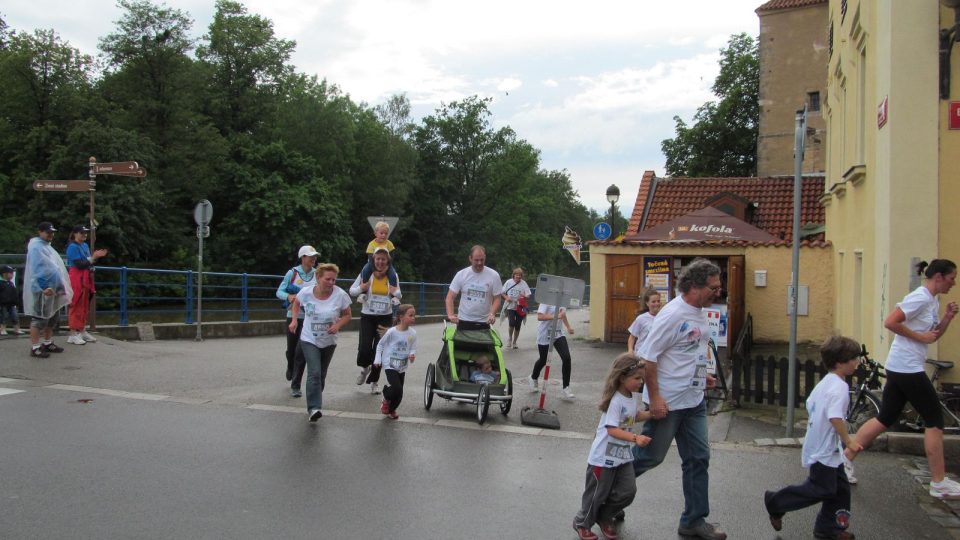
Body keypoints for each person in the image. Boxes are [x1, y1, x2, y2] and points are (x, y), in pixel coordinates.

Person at [846, 259, 960, 499]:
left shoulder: (932, 300)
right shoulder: (920, 297)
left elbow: (933, 335)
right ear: (938, 276)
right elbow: (890, 322)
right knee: (934, 421)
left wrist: (948, 317)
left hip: (902, 366)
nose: (954, 283)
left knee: (885, 417)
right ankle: (938, 482)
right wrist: (919, 336)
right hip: (908, 368)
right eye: (952, 278)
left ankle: (844, 461)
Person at [630, 258, 727, 540]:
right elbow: (648, 359)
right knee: (650, 456)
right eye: (714, 287)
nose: (718, 292)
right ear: (694, 286)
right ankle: (607, 492)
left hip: (693, 400)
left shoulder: (699, 310)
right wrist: (656, 398)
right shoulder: (672, 314)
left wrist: (701, 378)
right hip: (668, 403)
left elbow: (690, 350)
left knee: (699, 458)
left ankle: (693, 521)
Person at [763, 335, 862, 540]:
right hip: (824, 449)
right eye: (854, 358)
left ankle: (829, 528)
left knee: (841, 489)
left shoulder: (827, 382)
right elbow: (835, 417)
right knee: (821, 488)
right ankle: (776, 502)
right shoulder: (840, 388)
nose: (857, 362)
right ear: (839, 362)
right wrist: (849, 441)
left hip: (823, 445)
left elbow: (810, 404)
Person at [572, 353, 652, 540]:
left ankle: (605, 516)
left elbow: (632, 416)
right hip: (603, 459)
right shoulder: (615, 400)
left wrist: (650, 414)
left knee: (628, 491)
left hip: (622, 456)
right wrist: (635, 438)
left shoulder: (631, 396)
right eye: (637, 378)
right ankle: (582, 522)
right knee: (596, 495)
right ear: (622, 377)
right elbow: (612, 430)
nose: (641, 382)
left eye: (642, 378)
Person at [288, 263, 351, 422]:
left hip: (329, 341)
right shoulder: (306, 292)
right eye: (328, 279)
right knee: (314, 372)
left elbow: (347, 315)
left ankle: (315, 395)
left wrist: (337, 325)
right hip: (309, 339)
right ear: (318, 278)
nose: (331, 283)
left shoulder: (340, 295)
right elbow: (296, 303)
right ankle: (314, 408)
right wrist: (294, 320)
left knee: (321, 375)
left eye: (334, 280)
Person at [349, 248, 402, 395]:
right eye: (378, 258)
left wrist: (394, 292)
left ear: (387, 261)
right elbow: (351, 291)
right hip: (367, 316)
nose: (380, 262)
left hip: (385, 317)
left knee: (379, 350)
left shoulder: (392, 275)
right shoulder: (366, 274)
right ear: (373, 260)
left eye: (383, 259)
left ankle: (374, 382)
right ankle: (365, 368)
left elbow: (399, 294)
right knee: (364, 348)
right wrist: (361, 288)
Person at [23, 222, 71, 358]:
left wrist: (61, 288)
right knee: (39, 318)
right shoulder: (36, 248)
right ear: (40, 232)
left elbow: (55, 267)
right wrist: (44, 287)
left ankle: (47, 342)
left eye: (52, 232)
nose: (51, 235)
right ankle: (35, 347)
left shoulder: (46, 247)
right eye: (48, 232)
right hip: (43, 288)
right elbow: (37, 269)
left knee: (52, 316)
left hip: (53, 287)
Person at [276, 245, 319, 398]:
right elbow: (279, 291)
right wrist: (289, 297)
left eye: (315, 256)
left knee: (301, 353)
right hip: (293, 316)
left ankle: (296, 385)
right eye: (310, 256)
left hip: (309, 318)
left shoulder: (317, 274)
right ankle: (290, 366)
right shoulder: (292, 273)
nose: (313, 259)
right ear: (303, 257)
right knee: (292, 350)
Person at [65, 225, 107, 345]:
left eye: (85, 233)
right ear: (75, 234)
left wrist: (93, 263)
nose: (84, 235)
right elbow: (79, 264)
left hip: (86, 276)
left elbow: (88, 261)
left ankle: (82, 330)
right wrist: (93, 258)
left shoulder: (84, 245)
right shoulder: (72, 247)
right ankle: (72, 333)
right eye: (82, 233)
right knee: (76, 303)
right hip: (77, 277)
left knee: (84, 305)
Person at [374, 303, 417, 420]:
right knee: (397, 388)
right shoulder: (392, 332)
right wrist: (377, 359)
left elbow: (412, 348)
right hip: (389, 364)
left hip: (402, 366)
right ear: (401, 317)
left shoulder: (413, 333)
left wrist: (412, 355)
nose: (413, 318)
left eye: (414, 315)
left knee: (399, 394)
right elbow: (380, 345)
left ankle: (391, 409)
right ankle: (386, 395)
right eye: (410, 315)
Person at [445, 245, 502, 330]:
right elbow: (450, 297)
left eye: (482, 260)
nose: (479, 263)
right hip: (464, 320)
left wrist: (492, 314)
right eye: (476, 260)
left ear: (485, 258)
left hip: (485, 322)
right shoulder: (461, 274)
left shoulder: (494, 275)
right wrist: (451, 315)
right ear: (470, 259)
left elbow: (497, 298)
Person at [528, 302, 577, 400]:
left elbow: (562, 315)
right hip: (545, 333)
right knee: (544, 359)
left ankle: (566, 387)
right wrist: (556, 316)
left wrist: (568, 327)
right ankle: (533, 377)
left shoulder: (563, 299)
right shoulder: (547, 300)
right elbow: (540, 317)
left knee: (566, 358)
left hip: (558, 333)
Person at [358, 221, 398, 294]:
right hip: (372, 264)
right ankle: (363, 291)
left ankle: (394, 294)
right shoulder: (372, 244)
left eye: (386, 234)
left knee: (393, 275)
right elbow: (370, 259)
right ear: (376, 233)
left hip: (386, 264)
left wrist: (386, 268)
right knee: (365, 271)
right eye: (381, 233)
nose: (384, 235)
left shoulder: (389, 244)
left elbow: (391, 257)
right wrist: (374, 270)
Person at [501, 267, 531, 349]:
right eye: (517, 275)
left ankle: (515, 342)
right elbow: (502, 293)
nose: (518, 277)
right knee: (511, 323)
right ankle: (510, 339)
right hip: (511, 306)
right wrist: (506, 297)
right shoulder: (508, 282)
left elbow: (528, 295)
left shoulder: (524, 283)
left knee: (518, 325)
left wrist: (525, 296)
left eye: (520, 275)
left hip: (520, 307)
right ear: (513, 275)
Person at [626, 287, 662, 356]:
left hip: (656, 354)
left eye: (658, 301)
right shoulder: (641, 319)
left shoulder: (663, 317)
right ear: (647, 303)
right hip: (641, 354)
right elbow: (632, 337)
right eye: (653, 302)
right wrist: (630, 350)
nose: (657, 304)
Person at [0, 265, 24, 336]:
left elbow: (14, 293)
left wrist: (16, 302)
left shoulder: (11, 283)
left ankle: (17, 329)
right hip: (2, 303)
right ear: (4, 274)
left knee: (15, 316)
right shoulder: (1, 283)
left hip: (12, 303)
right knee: (3, 316)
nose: (12, 275)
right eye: (11, 273)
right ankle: (2, 329)